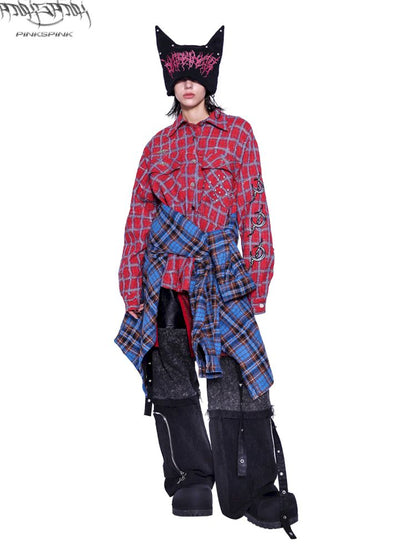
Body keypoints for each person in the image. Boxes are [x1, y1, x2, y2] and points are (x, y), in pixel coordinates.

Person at [114, 25, 298, 538]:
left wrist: (257, 278)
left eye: (197, 76)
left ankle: (253, 487)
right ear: (170, 83)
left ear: (210, 79)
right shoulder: (156, 147)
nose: (188, 84)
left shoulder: (238, 134)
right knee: (171, 372)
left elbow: (254, 208)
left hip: (220, 272)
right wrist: (131, 286)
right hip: (167, 275)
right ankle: (191, 477)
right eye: (180, 77)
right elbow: (138, 219)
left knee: (238, 375)